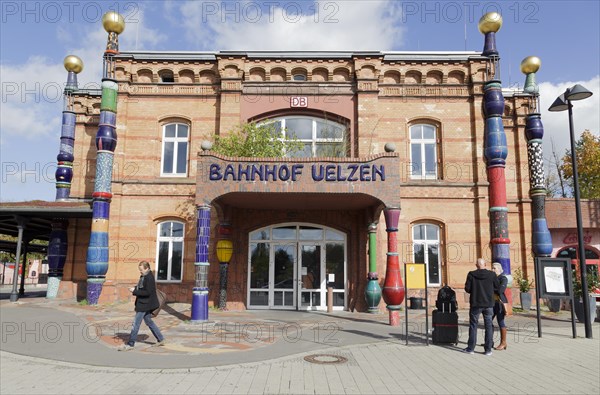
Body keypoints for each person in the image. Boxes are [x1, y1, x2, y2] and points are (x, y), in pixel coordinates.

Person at [118, 261, 166, 351]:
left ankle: (130, 344)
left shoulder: (149, 278)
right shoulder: (144, 276)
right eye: (139, 270)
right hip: (144, 303)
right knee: (149, 321)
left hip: (144, 304)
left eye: (141, 270)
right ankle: (161, 339)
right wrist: (135, 288)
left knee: (136, 324)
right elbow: (142, 287)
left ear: (147, 268)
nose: (140, 271)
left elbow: (147, 292)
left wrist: (134, 291)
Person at [463, 258, 499, 356]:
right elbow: (497, 287)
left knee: (473, 325)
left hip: (476, 303)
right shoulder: (492, 275)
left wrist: (475, 289)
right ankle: (488, 350)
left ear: (476, 265)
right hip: (489, 304)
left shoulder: (471, 274)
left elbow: (467, 289)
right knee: (488, 326)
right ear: (485, 265)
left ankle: (471, 348)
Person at [492, 262, 508, 350]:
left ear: (499, 269)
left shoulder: (503, 278)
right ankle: (489, 341)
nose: (492, 270)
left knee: (500, 321)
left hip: (500, 303)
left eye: (494, 268)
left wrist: (491, 289)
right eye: (492, 268)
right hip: (491, 303)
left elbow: (500, 290)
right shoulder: (491, 278)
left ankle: (503, 342)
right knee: (488, 321)